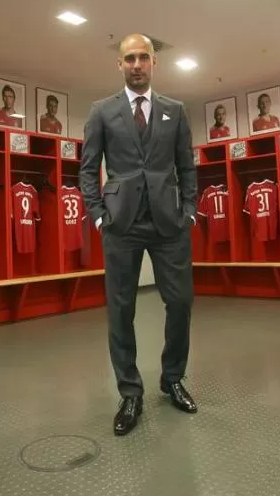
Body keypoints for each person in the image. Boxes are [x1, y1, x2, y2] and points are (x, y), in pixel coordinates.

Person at [81, 33, 198, 437]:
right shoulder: (102, 111)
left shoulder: (175, 110)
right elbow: (87, 167)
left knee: (180, 302)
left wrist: (190, 211)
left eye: (143, 57)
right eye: (128, 58)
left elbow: (187, 164)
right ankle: (130, 391)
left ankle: (172, 378)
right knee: (121, 309)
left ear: (154, 63)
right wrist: (97, 214)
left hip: (169, 222)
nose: (136, 64)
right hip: (121, 222)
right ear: (119, 64)